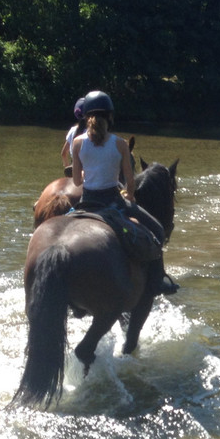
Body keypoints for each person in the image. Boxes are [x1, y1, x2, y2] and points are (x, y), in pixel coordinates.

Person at [70, 90, 178, 295]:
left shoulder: (77, 143)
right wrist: (129, 194)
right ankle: (158, 281)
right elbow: (129, 182)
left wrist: (89, 173)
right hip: (113, 202)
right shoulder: (120, 144)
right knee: (157, 230)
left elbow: (76, 181)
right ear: (110, 117)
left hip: (86, 202)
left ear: (87, 117)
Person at [61, 96, 87, 171]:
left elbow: (63, 153)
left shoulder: (73, 130)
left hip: (74, 166)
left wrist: (67, 167)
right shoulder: (93, 132)